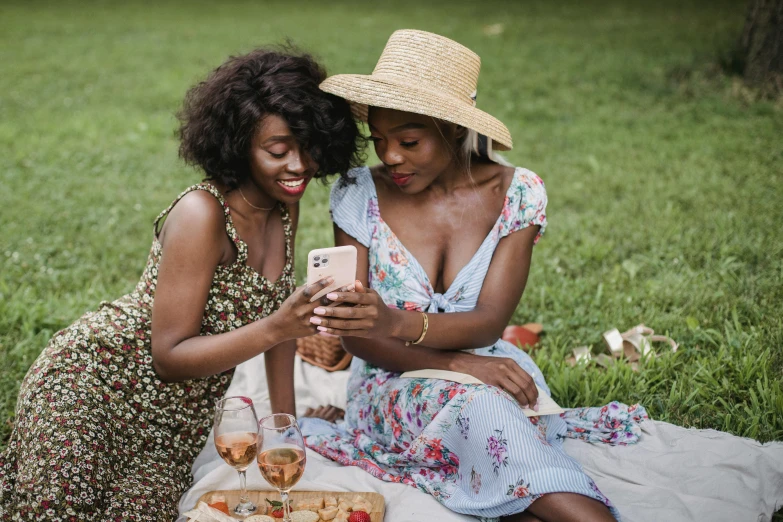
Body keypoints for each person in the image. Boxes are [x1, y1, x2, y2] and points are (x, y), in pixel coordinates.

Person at [0, 47, 363, 521]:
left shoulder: (282, 204)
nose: (299, 165)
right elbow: (169, 357)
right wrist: (278, 326)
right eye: (277, 151)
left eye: (309, 147)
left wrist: (284, 431)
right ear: (239, 144)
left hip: (176, 427)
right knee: (58, 510)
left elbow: (282, 327)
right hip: (93, 387)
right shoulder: (202, 213)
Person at [300, 30, 646, 522]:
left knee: (499, 418)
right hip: (390, 381)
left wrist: (400, 323)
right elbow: (360, 340)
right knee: (480, 410)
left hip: (495, 368)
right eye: (379, 140)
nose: (390, 156)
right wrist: (460, 367)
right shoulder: (360, 193)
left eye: (409, 140)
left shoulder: (517, 194)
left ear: (454, 128)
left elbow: (489, 322)